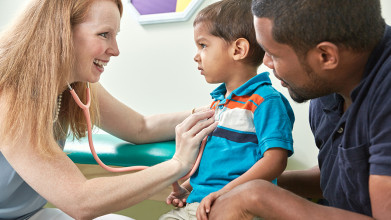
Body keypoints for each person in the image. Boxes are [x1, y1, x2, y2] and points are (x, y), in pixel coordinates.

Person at [0, 0, 218, 219]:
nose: (115, 50)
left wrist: (216, 111)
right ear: (61, 31)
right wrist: (178, 164)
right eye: (104, 34)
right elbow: (80, 201)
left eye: (115, 35)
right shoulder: (9, 97)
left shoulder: (75, 84)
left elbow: (140, 128)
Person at [206, 0, 391, 219]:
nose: (266, 63)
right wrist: (244, 183)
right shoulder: (329, 84)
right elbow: (349, 180)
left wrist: (255, 196)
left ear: (326, 56)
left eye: (273, 54)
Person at [159, 0, 294, 219]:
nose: (196, 55)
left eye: (203, 45)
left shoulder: (265, 100)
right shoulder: (218, 104)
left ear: (238, 49)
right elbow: (217, 167)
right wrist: (189, 188)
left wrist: (224, 194)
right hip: (204, 202)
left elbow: (275, 160)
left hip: (237, 206)